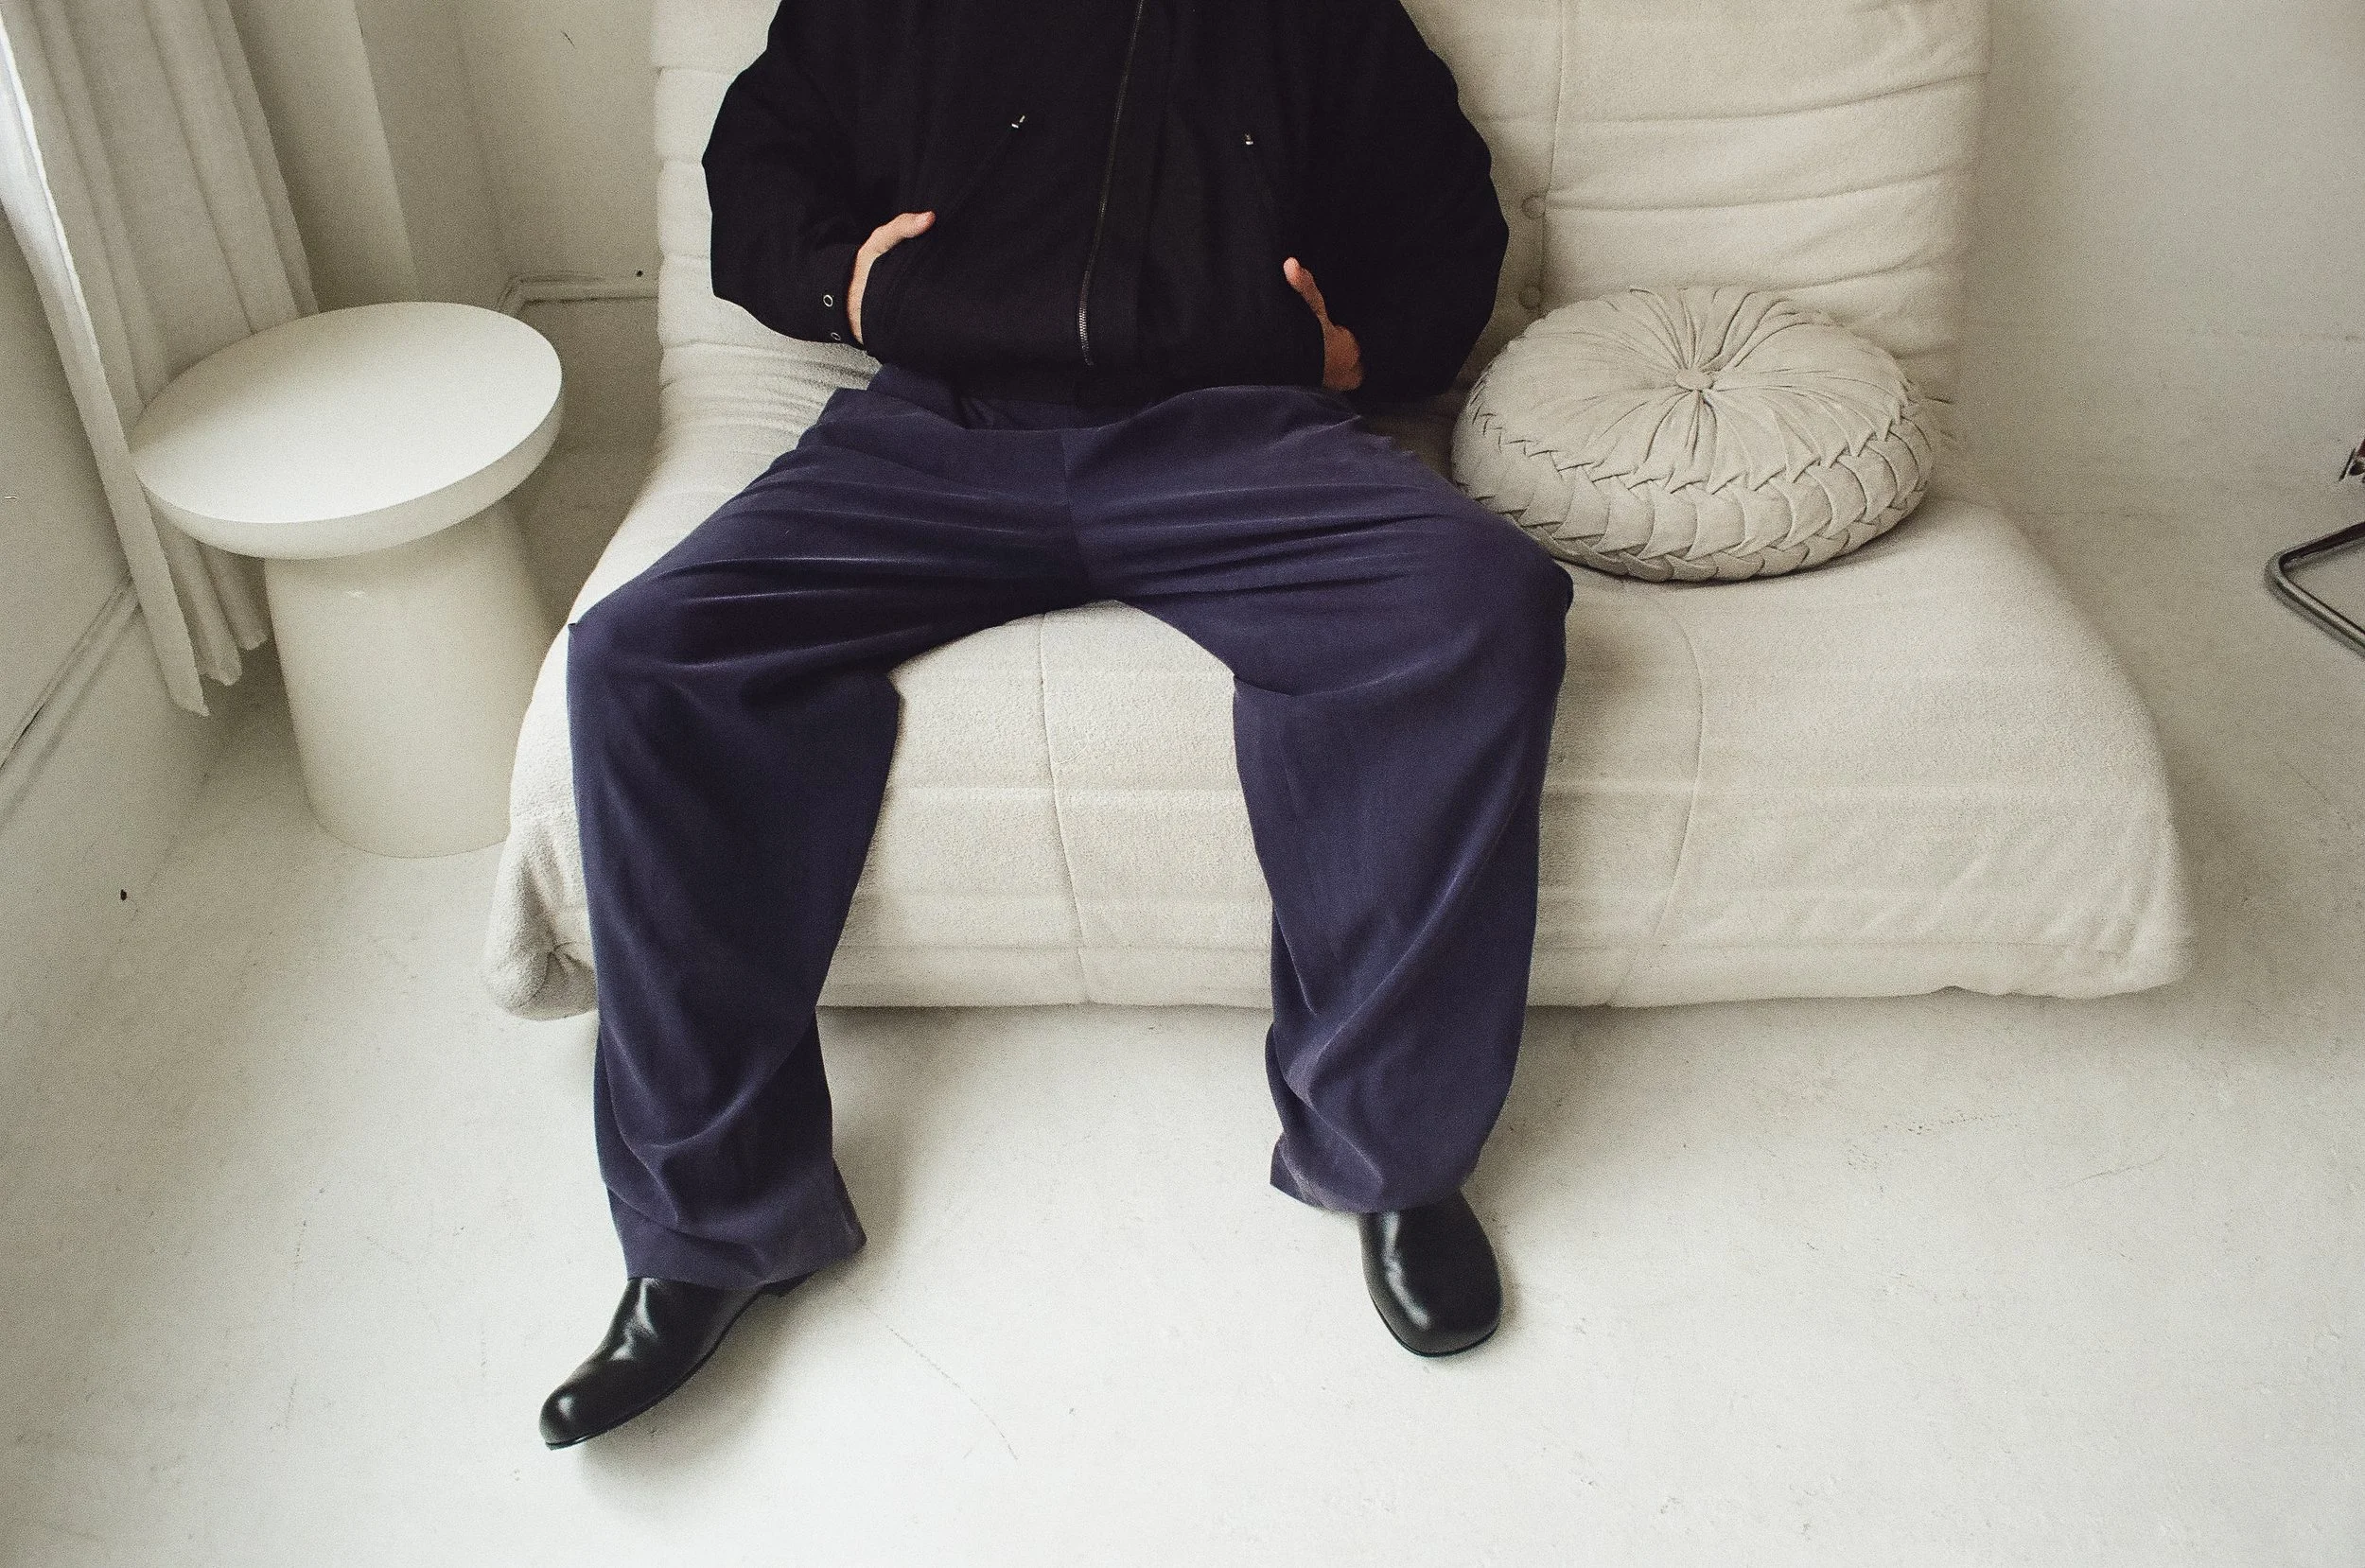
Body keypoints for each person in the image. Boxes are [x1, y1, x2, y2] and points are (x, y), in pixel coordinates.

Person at [538, 0, 1572, 1449]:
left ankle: (1393, 1156)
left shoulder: (1325, 14)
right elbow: (759, 166)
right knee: (645, 661)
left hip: (1234, 438)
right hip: (938, 436)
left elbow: (1447, 230)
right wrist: (846, 287)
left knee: (1479, 604)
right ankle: (709, 1229)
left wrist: (1355, 351)